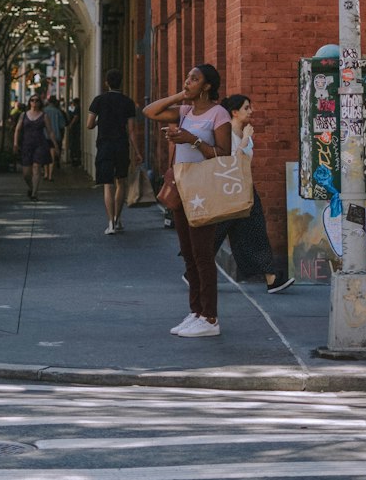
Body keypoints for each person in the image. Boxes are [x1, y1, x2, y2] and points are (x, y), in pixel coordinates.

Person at [144, 63, 231, 338]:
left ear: (207, 86)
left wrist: (191, 139)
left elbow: (223, 155)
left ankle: (211, 317)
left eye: (194, 79)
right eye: (187, 77)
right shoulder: (185, 111)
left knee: (203, 254)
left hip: (203, 190)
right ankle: (196, 312)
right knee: (189, 254)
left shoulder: (219, 114)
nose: (187, 81)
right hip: (182, 188)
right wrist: (181, 97)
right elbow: (150, 112)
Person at [212, 96, 292, 293]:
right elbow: (233, 163)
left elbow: (246, 164)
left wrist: (247, 137)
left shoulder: (244, 132)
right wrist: (246, 138)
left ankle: (271, 277)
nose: (251, 111)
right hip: (229, 190)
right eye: (246, 108)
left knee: (255, 231)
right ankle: (193, 269)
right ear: (234, 112)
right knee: (216, 233)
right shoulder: (227, 133)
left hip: (245, 188)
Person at [87, 70, 141, 235]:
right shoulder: (128, 102)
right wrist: (137, 152)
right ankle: (117, 220)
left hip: (104, 145)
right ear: (121, 83)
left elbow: (89, 125)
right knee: (121, 182)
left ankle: (110, 223)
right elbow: (131, 130)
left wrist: (99, 121)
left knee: (107, 184)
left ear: (106, 83)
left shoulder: (98, 100)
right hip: (121, 145)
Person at [13, 95, 57, 202]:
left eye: (37, 101)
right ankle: (31, 187)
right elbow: (17, 129)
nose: (34, 102)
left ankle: (34, 193)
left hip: (40, 144)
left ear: (40, 103)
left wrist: (55, 145)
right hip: (26, 145)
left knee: (37, 167)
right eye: (32, 100)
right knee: (26, 173)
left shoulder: (44, 116)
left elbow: (50, 131)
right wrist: (15, 143)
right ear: (29, 102)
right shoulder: (24, 115)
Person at [42, 93, 66, 182]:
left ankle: (45, 173)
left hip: (44, 135)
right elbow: (62, 125)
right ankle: (50, 175)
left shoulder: (43, 111)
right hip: (55, 136)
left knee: (45, 155)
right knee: (52, 155)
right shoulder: (58, 111)